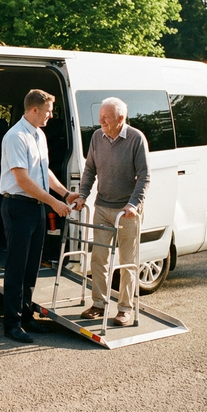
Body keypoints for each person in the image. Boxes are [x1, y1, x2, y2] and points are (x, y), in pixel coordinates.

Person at [0, 89, 79, 343]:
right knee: (17, 266)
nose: (51, 116)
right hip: (18, 206)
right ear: (34, 110)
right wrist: (54, 203)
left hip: (36, 207)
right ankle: (11, 324)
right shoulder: (16, 137)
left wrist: (65, 194)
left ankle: (26, 316)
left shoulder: (39, 135)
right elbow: (23, 180)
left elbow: (44, 171)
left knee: (32, 264)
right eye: (48, 111)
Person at [75, 97, 150, 327]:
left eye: (106, 118)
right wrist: (82, 195)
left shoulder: (136, 138)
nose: (101, 121)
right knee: (99, 258)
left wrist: (133, 204)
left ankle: (125, 309)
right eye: (100, 117)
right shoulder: (97, 137)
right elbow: (90, 169)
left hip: (127, 212)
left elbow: (144, 176)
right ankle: (99, 303)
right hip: (102, 207)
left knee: (128, 261)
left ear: (120, 118)